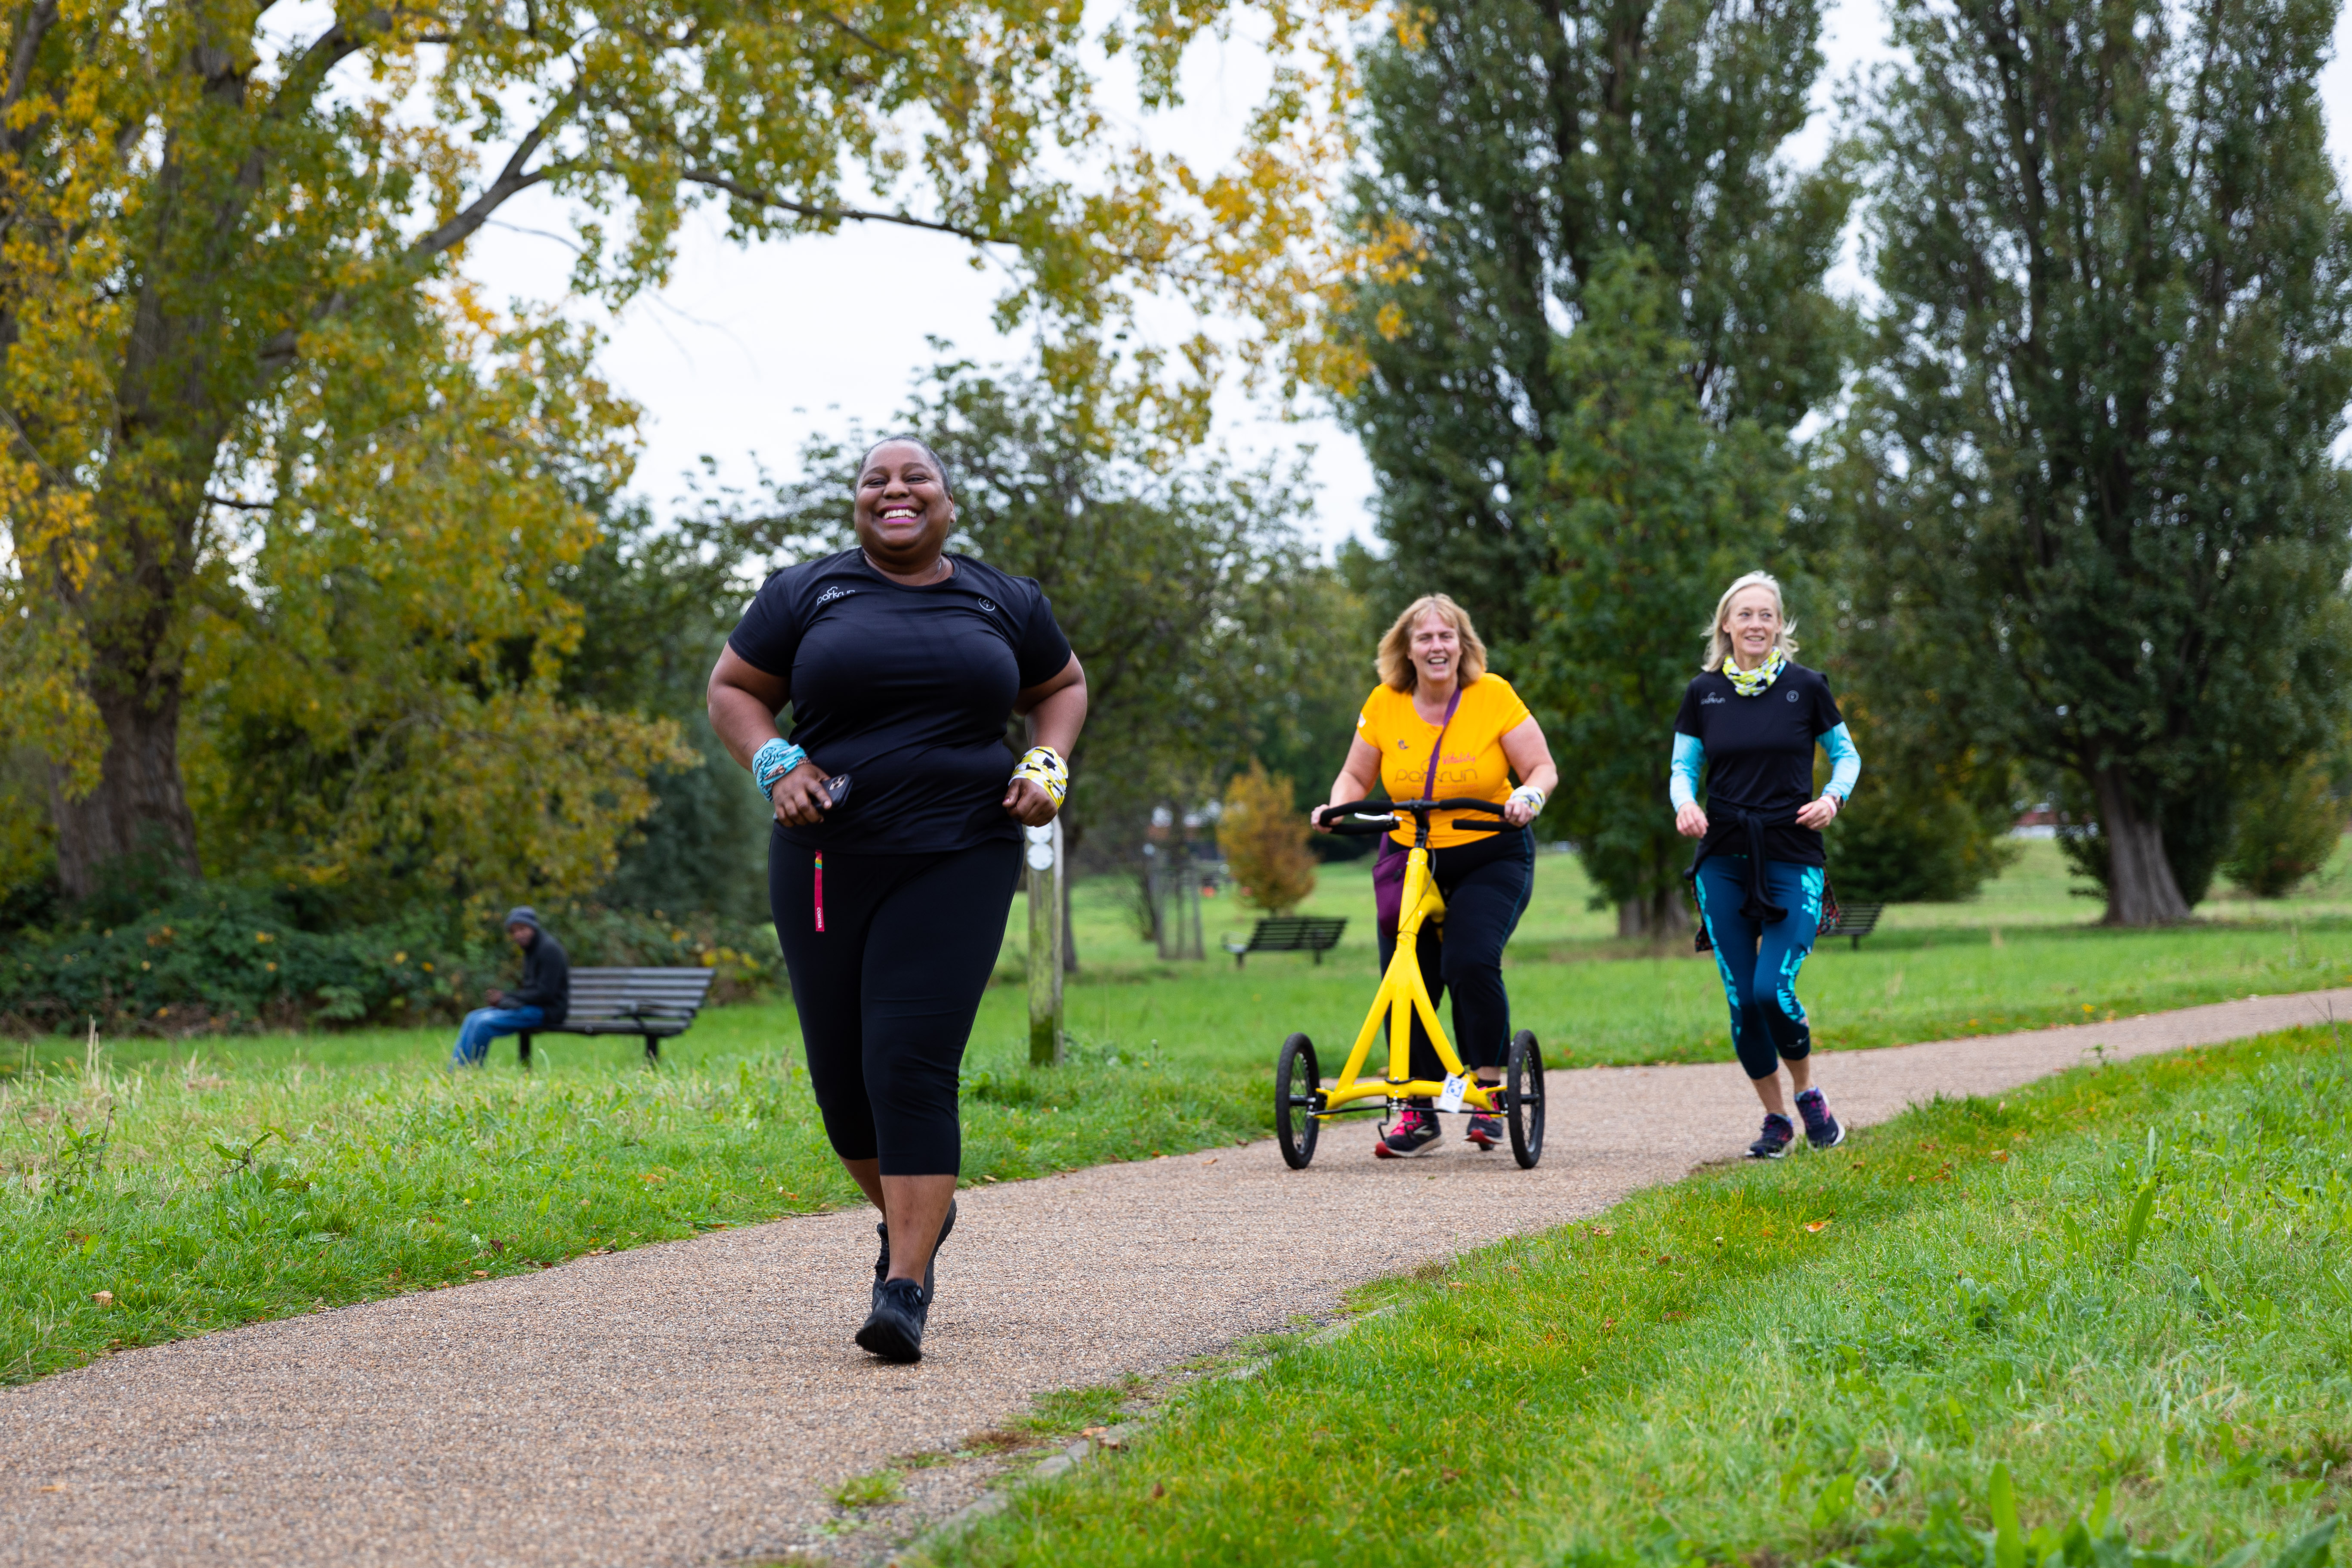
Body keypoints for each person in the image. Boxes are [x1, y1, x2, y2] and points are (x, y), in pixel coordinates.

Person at [706, 434, 1086, 1364]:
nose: (895, 490)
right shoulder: (806, 592)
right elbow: (732, 689)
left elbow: (1061, 687)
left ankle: (903, 1285)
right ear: (858, 505)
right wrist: (774, 763)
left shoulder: (1004, 598)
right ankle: (922, 1211)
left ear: (948, 503)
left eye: (917, 477)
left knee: (907, 1061)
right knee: (843, 1086)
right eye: (875, 479)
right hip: (826, 857)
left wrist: (1047, 763)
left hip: (959, 851)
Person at [1311, 594, 1559, 1159]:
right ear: (1405, 649)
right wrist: (1335, 806)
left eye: (1446, 635)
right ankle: (1418, 1111)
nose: (1436, 646)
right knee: (1406, 970)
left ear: (1463, 644)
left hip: (1490, 850)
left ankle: (1489, 1090)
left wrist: (1528, 795)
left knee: (1468, 959)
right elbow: (1354, 773)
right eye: (1423, 638)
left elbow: (1541, 766)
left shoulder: (1492, 695)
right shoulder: (1384, 703)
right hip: (1411, 850)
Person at [1670, 570, 1861, 1158]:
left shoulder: (1807, 687)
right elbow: (1683, 768)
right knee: (1740, 997)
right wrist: (1684, 804)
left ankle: (1807, 1093)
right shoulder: (1703, 693)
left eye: (1766, 615)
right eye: (1745, 614)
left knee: (1771, 988)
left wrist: (1832, 798)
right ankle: (1774, 1118)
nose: (1756, 624)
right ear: (1726, 624)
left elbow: (1845, 755)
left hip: (1792, 851)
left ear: (1780, 625)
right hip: (1721, 857)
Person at [449, 908, 569, 1068]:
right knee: (473, 1018)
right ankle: (455, 1071)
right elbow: (531, 991)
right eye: (514, 931)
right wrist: (506, 1000)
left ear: (533, 927)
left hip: (548, 1012)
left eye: (522, 929)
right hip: (532, 1008)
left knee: (484, 1025)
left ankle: (470, 1072)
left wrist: (507, 998)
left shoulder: (549, 950)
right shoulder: (531, 950)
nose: (518, 935)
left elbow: (545, 994)